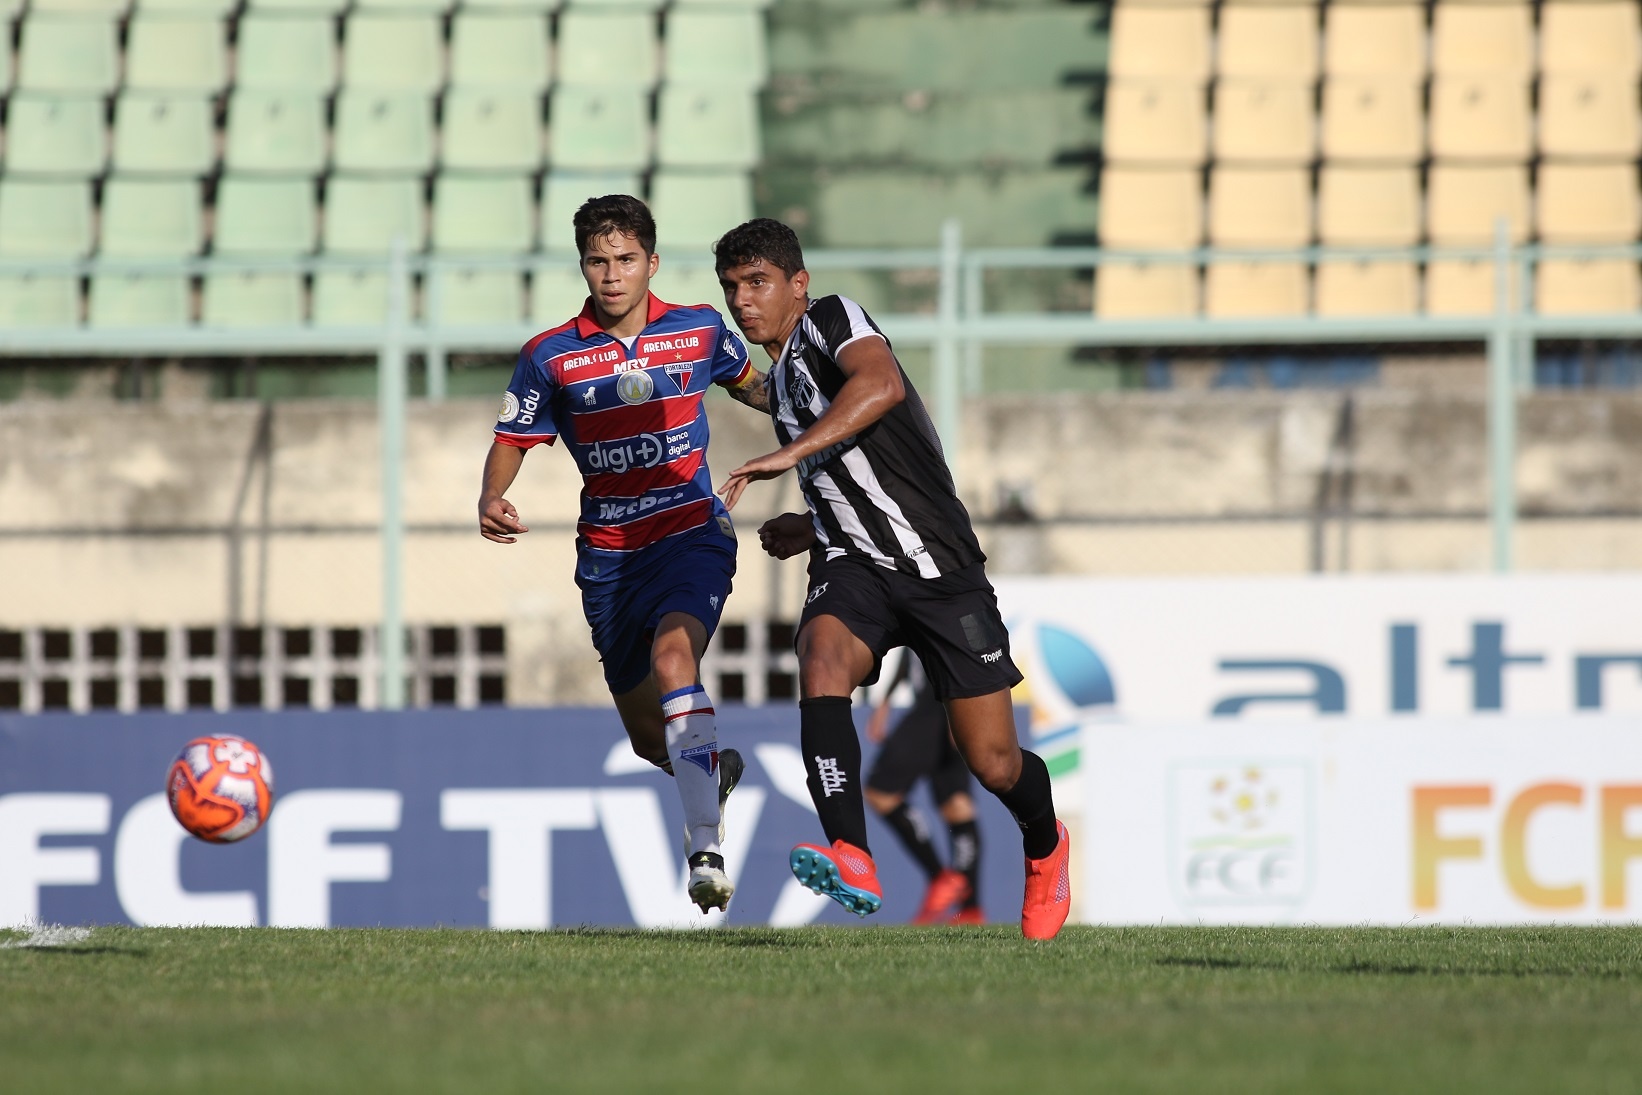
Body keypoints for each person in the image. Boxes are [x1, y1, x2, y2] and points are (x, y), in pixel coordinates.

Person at [711, 217, 1072, 941]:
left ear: (798, 284)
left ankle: (1046, 845)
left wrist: (788, 458)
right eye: (731, 288)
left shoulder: (832, 319)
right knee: (821, 657)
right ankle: (853, 855)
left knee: (994, 763)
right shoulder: (783, 384)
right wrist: (811, 524)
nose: (743, 300)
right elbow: (847, 466)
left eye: (758, 282)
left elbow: (879, 386)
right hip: (854, 565)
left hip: (941, 570)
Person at [477, 195, 766, 913]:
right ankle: (708, 769)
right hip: (610, 557)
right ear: (583, 266)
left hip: (691, 531)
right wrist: (492, 494)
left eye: (626, 260)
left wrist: (821, 412)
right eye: (598, 261)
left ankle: (705, 851)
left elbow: (757, 389)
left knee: (675, 659)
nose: (612, 275)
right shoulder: (551, 354)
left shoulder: (699, 328)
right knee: (647, 739)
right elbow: (513, 436)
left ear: (652, 263)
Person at [865, 648, 985, 925]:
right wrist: (885, 701)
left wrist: (962, 704)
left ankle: (942, 879)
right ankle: (969, 909)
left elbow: (961, 649)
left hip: (936, 710)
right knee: (957, 806)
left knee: (879, 791)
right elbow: (910, 654)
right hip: (946, 709)